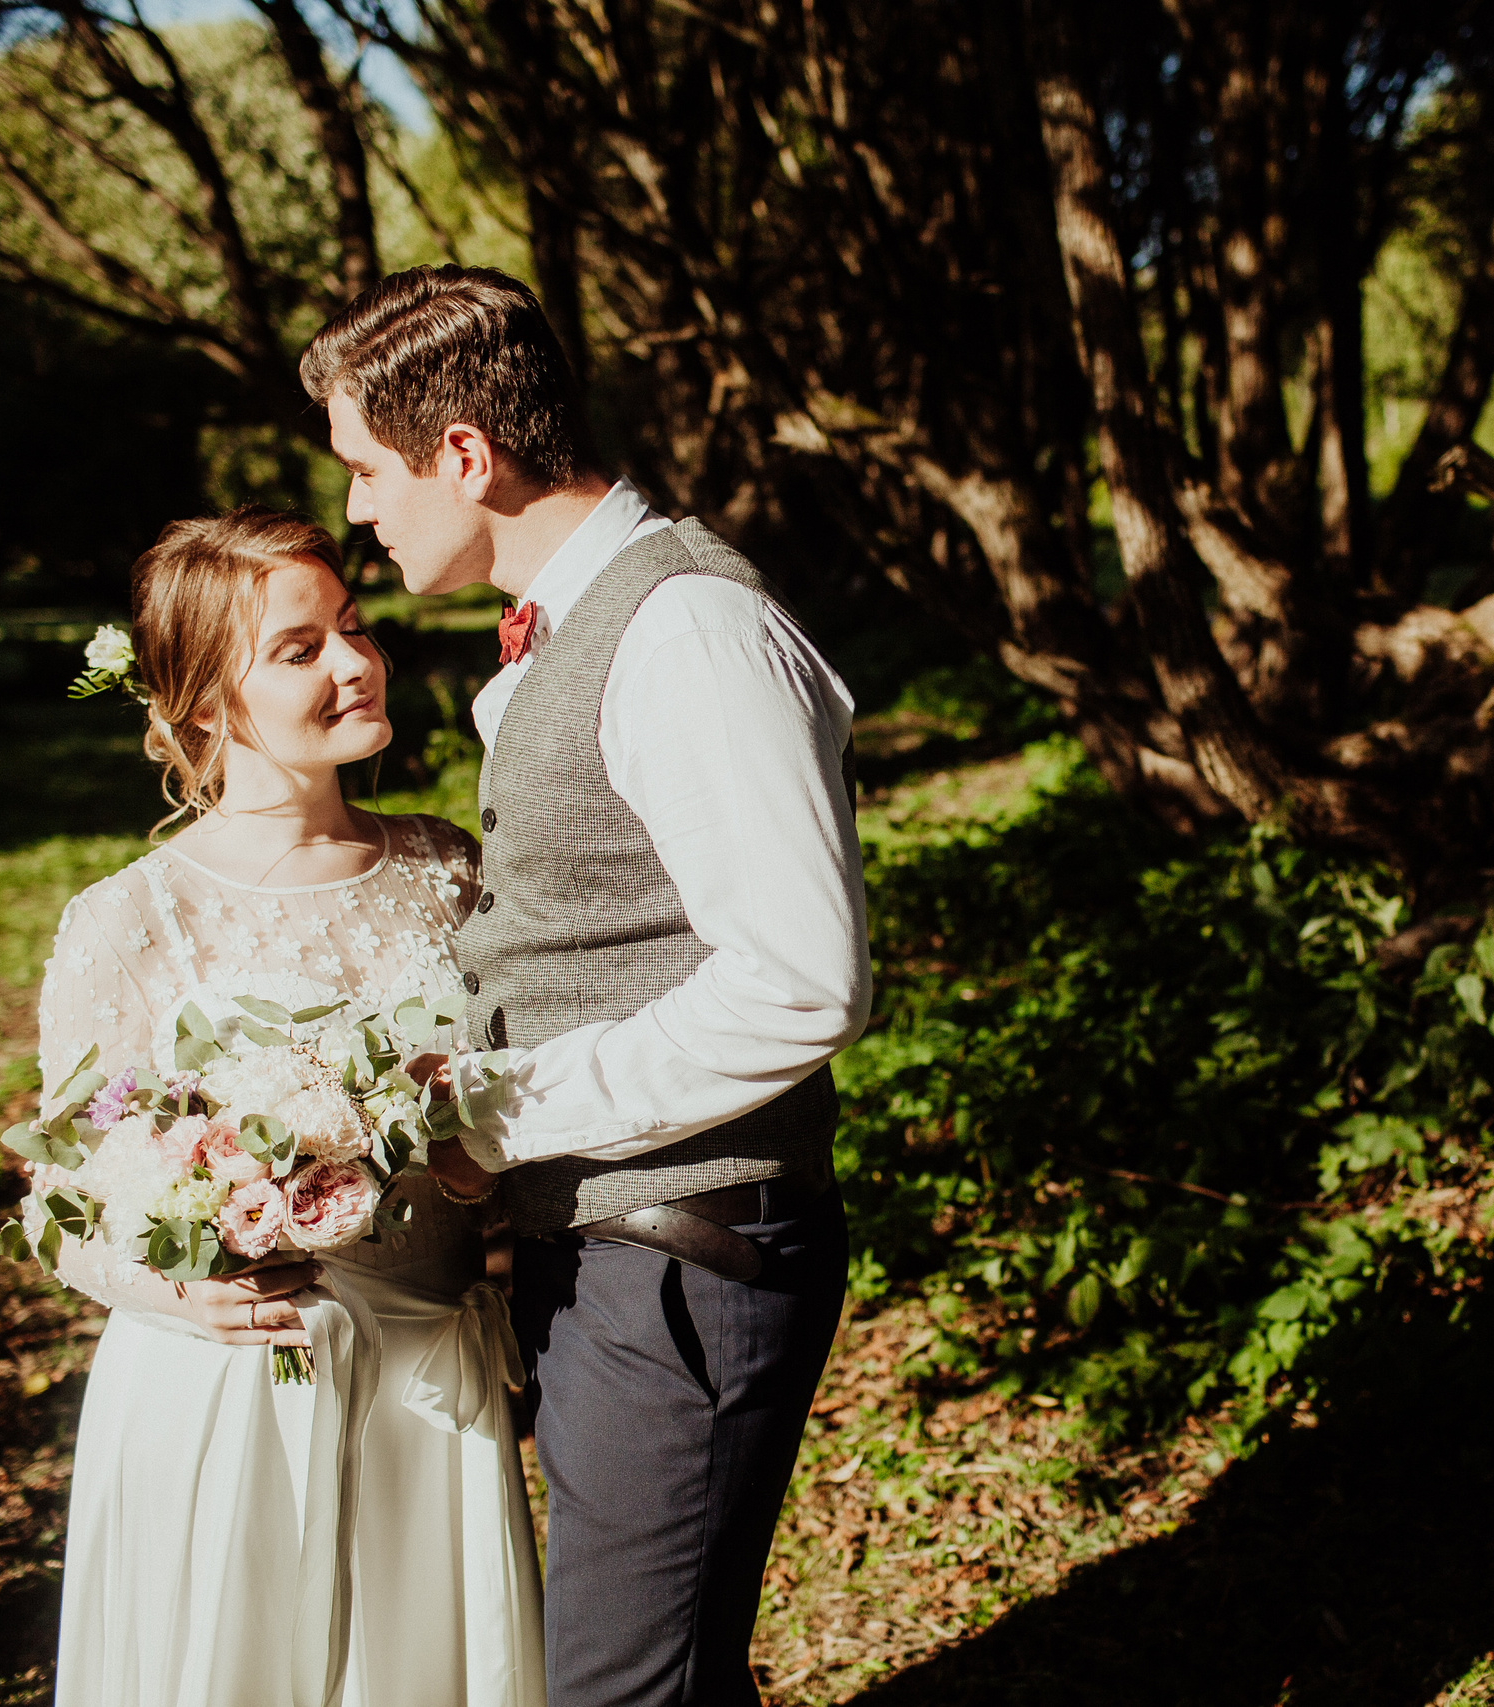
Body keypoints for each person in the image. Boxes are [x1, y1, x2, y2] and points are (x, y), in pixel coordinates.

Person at [300, 265, 870, 1707]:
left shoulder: (685, 630)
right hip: (620, 1240)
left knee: (627, 1687)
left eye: (368, 470)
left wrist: (502, 1112)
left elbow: (802, 983)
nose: (361, 509)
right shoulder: (587, 623)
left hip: (685, 1248)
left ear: (465, 457)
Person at [35, 507, 544, 1707]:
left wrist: (478, 1165)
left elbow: (526, 1094)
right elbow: (63, 1202)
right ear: (206, 704)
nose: (357, 663)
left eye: (355, 628)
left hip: (430, 1382)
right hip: (232, 1394)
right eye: (300, 648)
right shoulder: (132, 919)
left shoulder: (448, 869)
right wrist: (177, 1291)